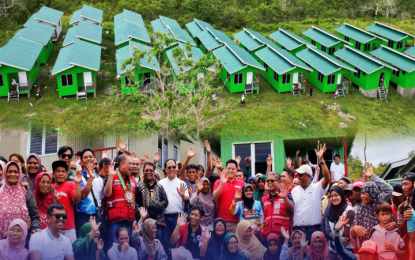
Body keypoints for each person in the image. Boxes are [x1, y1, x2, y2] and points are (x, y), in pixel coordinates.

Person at [292, 144, 330, 242]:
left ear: (309, 176)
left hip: (314, 230)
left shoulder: (317, 187)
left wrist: (321, 160)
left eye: (301, 175)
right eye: (298, 175)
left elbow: (327, 177)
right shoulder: (294, 190)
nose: (298, 177)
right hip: (297, 231)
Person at [135, 162, 169, 254]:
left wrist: (159, 205)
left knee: (159, 245)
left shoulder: (159, 186)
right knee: (143, 247)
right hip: (144, 222)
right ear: (143, 171)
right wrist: (140, 211)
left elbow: (165, 201)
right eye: (146, 170)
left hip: (158, 222)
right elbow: (134, 201)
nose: (149, 172)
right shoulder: (138, 185)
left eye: (151, 170)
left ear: (154, 171)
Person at [350, 181, 396, 249]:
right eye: (361, 193)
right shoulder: (360, 211)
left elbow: (395, 229)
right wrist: (353, 229)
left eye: (364, 193)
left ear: (372, 193)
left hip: (383, 250)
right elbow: (353, 236)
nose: (361, 196)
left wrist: (394, 225)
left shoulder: (383, 208)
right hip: (366, 252)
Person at [0, 161, 40, 238]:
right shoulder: (0, 192)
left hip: (22, 239)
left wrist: (34, 230)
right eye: (9, 171)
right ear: (5, 173)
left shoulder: (26, 192)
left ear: (19, 174)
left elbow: (34, 215)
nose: (12, 174)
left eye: (15, 172)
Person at [104, 154, 137, 246]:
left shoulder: (133, 181)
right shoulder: (112, 176)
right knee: (115, 249)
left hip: (128, 221)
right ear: (122, 164)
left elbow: (132, 202)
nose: (132, 166)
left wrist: (133, 220)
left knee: (126, 249)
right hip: (115, 222)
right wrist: (110, 176)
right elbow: (107, 194)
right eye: (130, 163)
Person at [158, 159, 189, 250]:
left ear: (176, 168)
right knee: (165, 244)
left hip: (177, 218)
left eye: (173, 167)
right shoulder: (160, 183)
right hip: (164, 218)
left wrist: (183, 195)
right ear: (165, 169)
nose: (172, 169)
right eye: (169, 167)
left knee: (176, 245)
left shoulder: (182, 183)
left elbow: (187, 200)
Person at [53, 160, 82, 243]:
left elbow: (76, 201)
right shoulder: (50, 187)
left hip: (69, 228)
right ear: (53, 173)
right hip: (53, 228)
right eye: (58, 171)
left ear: (66, 173)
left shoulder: (70, 184)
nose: (60, 174)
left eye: (63, 171)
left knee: (71, 254)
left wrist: (77, 184)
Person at [213, 159, 246, 234]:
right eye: (229, 168)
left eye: (233, 169)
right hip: (221, 220)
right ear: (225, 169)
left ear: (236, 170)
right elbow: (215, 197)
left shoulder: (242, 183)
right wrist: (222, 183)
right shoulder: (218, 182)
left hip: (237, 221)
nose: (230, 170)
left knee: (235, 244)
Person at [262, 172, 294, 243]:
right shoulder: (264, 199)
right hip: (268, 237)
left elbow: (292, 209)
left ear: (279, 181)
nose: (269, 182)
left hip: (283, 237)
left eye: (272, 180)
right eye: (268, 181)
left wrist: (285, 198)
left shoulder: (287, 194)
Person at [324, 185, 354, 259]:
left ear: (341, 195)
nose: (333, 198)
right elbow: (327, 231)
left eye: (336, 195)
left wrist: (339, 242)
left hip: (347, 250)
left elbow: (346, 233)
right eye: (331, 196)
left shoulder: (349, 210)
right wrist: (336, 238)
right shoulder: (329, 211)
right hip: (332, 249)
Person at [75, 148, 98, 237]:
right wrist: (91, 178)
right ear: (81, 161)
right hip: (83, 216)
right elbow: (82, 196)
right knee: (85, 244)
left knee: (97, 245)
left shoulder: (98, 177)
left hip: (96, 216)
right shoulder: (79, 176)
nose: (88, 159)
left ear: (94, 159)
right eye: (85, 157)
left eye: (90, 156)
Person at [398, 172, 414, 237]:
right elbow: (400, 233)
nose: (403, 188)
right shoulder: (402, 207)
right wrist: (405, 220)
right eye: (402, 185)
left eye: (406, 184)